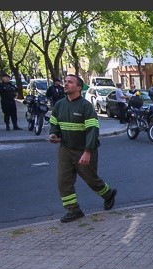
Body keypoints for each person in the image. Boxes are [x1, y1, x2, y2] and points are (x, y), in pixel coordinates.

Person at [48, 74, 117, 223]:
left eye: (70, 82)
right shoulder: (59, 105)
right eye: (65, 82)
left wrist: (87, 151)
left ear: (78, 88)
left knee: (91, 180)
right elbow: (54, 123)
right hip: (65, 149)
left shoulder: (85, 106)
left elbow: (93, 130)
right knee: (63, 181)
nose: (66, 84)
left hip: (83, 150)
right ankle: (74, 210)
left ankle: (109, 194)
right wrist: (53, 134)